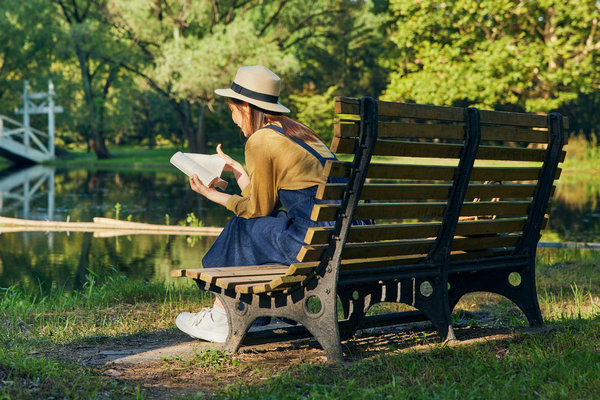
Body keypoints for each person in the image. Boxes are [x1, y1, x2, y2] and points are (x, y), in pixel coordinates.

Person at [175, 65, 341, 342]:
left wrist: (212, 194)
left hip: (314, 241)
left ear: (246, 108)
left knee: (242, 227)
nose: (233, 120)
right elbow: (266, 204)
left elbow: (257, 211)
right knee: (263, 225)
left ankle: (222, 316)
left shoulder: (261, 140)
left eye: (232, 110)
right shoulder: (300, 133)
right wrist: (240, 173)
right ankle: (250, 311)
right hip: (342, 233)